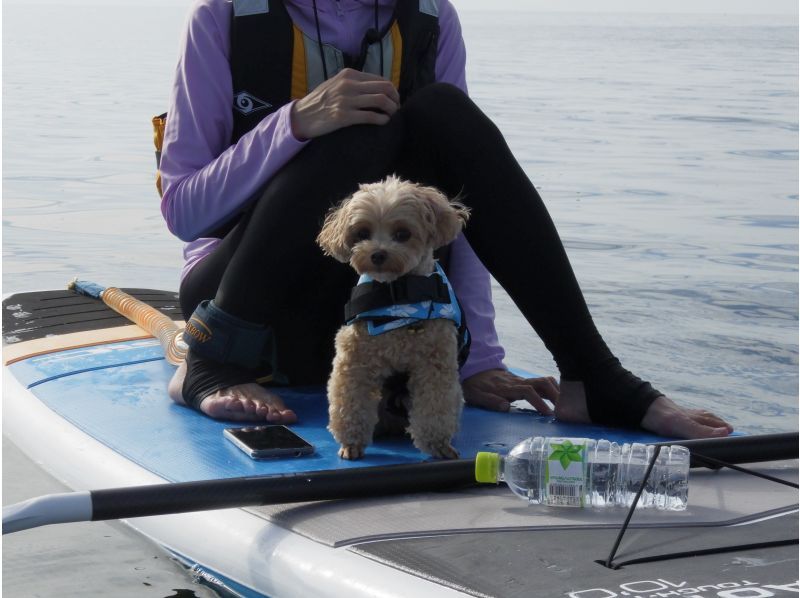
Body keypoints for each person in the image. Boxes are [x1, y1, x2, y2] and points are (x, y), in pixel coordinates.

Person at [160, 0, 733, 439]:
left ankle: (593, 376)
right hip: (247, 319)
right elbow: (184, 211)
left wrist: (476, 358)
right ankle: (205, 364)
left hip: (382, 312)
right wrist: (292, 125)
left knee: (442, 112)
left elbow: (463, 208)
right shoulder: (225, 16)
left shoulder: (433, 16)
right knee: (366, 131)